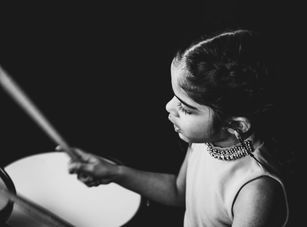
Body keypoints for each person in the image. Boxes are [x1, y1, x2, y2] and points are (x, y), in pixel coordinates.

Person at [61, 29, 291, 227]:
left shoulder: (255, 192)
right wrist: (113, 172)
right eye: (174, 97)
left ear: (235, 125)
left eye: (187, 108)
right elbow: (179, 192)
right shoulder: (205, 141)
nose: (169, 107)